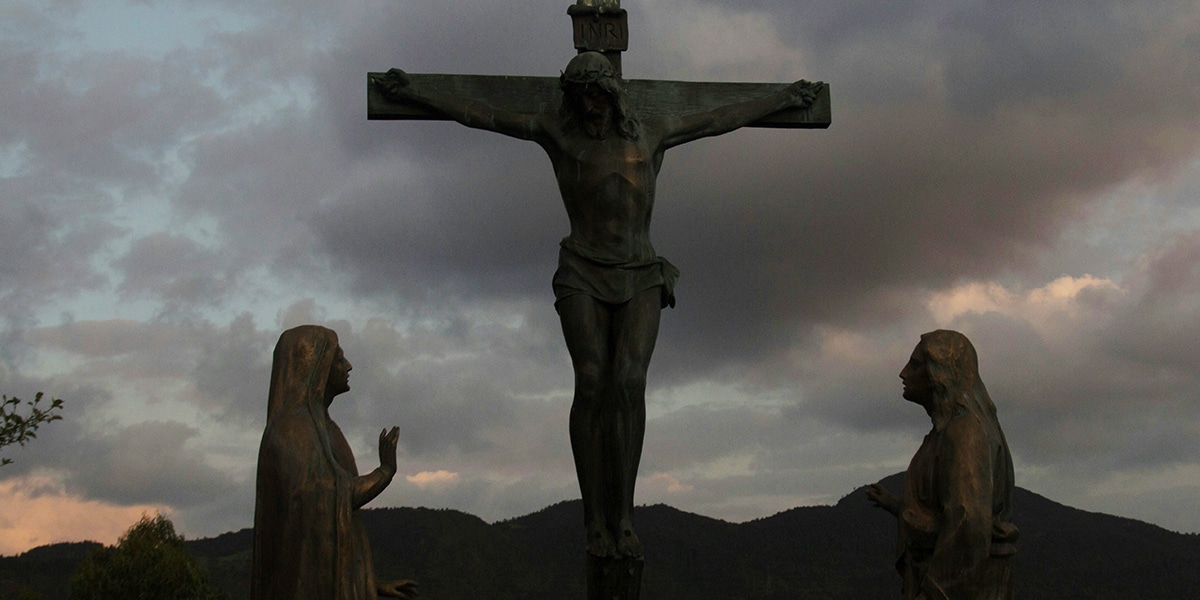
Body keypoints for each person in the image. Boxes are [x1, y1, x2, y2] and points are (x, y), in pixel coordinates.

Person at [378, 52, 819, 559]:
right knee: (591, 380)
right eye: (579, 95)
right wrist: (414, 92)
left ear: (611, 94)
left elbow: (720, 117)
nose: (589, 105)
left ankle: (624, 517)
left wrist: (784, 99)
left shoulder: (651, 133)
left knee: (628, 381)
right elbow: (482, 113)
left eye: (596, 93)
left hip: (640, 272)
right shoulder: (557, 134)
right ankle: (594, 520)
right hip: (582, 270)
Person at [252, 325, 417, 599]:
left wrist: (367, 584)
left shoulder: (324, 429)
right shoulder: (295, 430)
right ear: (317, 366)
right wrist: (384, 471)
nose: (348, 366)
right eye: (339, 359)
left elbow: (325, 537)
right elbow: (324, 498)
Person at [866, 330, 1019, 600]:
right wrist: (895, 505)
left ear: (939, 373)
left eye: (915, 365)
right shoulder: (948, 432)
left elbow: (967, 522)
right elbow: (943, 513)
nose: (903, 373)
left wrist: (933, 593)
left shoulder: (965, 433)